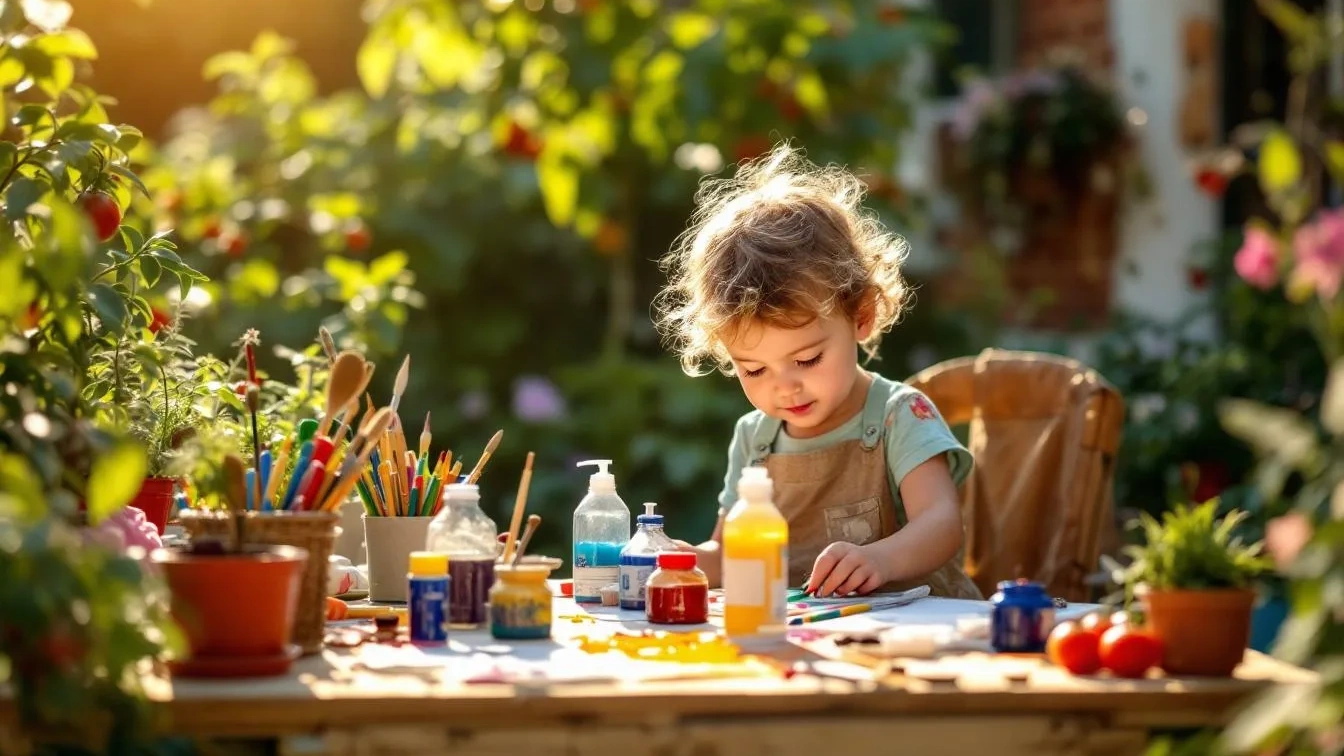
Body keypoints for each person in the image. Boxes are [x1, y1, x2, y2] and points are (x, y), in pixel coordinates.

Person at [654, 142, 981, 599]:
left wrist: (880, 559)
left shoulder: (899, 415)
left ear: (861, 315)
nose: (784, 387)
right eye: (753, 370)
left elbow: (941, 524)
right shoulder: (755, 438)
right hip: (814, 641)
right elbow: (730, 555)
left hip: (915, 632)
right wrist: (674, 559)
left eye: (806, 360)